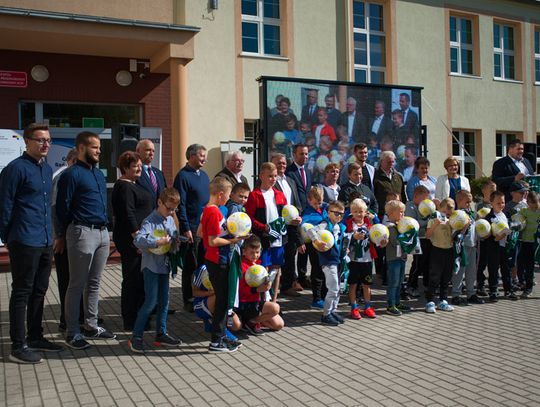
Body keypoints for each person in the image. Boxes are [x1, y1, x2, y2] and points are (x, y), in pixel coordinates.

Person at [0, 123, 62, 364]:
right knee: (22, 292)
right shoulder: (15, 169)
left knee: (40, 290)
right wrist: (7, 237)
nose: (45, 144)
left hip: (45, 239)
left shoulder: (45, 169)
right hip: (24, 239)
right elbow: (4, 205)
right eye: (40, 140)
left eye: (48, 140)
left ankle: (36, 337)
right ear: (27, 141)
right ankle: (18, 345)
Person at [56, 131, 115, 350]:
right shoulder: (71, 175)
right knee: (77, 284)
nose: (99, 151)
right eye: (94, 147)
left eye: (99, 147)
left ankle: (91, 325)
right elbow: (62, 208)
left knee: (94, 283)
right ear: (81, 148)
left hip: (101, 233)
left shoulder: (98, 175)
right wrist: (62, 234)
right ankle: (73, 332)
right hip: (81, 232)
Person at [127, 188, 182, 353]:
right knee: (151, 301)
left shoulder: (170, 219)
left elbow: (173, 238)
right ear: (159, 202)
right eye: (168, 208)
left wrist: (176, 242)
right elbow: (138, 240)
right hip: (151, 266)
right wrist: (156, 242)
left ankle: (161, 333)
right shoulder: (149, 221)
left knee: (164, 301)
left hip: (164, 266)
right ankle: (136, 337)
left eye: (174, 209)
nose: (171, 212)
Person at [201, 177, 247, 353]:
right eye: (228, 195)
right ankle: (216, 341)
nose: (228, 199)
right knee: (221, 302)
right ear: (220, 195)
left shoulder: (210, 210)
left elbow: (203, 233)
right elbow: (212, 241)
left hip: (220, 260)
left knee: (223, 301)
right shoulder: (213, 212)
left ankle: (221, 336)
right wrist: (234, 239)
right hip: (218, 261)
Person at [111, 151, 154, 330]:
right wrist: (138, 238)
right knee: (132, 279)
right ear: (125, 168)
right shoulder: (124, 186)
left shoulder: (135, 183)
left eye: (139, 165)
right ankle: (131, 320)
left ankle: (141, 317)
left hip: (141, 239)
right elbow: (127, 214)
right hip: (132, 241)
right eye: (134, 166)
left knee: (140, 279)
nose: (138, 168)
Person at [174, 144, 210, 312]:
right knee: (191, 265)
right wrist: (186, 228)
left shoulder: (204, 175)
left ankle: (202, 295)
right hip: (192, 228)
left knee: (204, 264)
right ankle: (189, 299)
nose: (205, 158)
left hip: (206, 227)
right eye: (202, 155)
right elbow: (180, 206)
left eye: (205, 155)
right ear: (192, 156)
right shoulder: (182, 176)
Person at [245, 162, 288, 302]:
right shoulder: (255, 195)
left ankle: (274, 301)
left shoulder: (280, 194)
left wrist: (293, 219)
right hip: (263, 238)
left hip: (279, 238)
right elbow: (249, 218)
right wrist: (264, 227)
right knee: (264, 269)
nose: (273, 179)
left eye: (275, 176)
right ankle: (263, 299)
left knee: (277, 268)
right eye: (270, 176)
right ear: (261, 176)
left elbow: (286, 214)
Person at [52, 147, 80, 332]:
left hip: (74, 236)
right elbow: (56, 209)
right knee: (67, 279)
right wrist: (59, 235)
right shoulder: (62, 176)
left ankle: (81, 316)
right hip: (64, 238)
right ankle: (66, 318)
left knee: (78, 278)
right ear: (72, 160)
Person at [237, 236, 284, 334]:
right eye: (252, 252)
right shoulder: (241, 266)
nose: (255, 255)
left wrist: (268, 283)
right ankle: (250, 321)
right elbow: (240, 290)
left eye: (257, 252)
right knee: (275, 308)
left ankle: (252, 322)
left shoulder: (259, 265)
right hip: (244, 304)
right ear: (244, 252)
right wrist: (257, 290)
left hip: (256, 303)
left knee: (279, 324)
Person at [271, 153, 303, 297]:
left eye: (284, 163)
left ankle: (287, 285)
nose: (282, 165)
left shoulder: (290, 181)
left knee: (291, 255)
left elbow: (296, 202)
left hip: (292, 226)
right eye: (278, 163)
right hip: (278, 225)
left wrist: (298, 216)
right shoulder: (270, 182)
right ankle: (272, 287)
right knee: (277, 257)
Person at [312, 200, 347, 326]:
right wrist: (317, 241)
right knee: (333, 288)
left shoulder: (340, 226)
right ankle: (326, 314)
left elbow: (341, 241)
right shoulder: (324, 224)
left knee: (338, 289)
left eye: (341, 214)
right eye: (336, 213)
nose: (339, 216)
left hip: (338, 261)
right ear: (328, 212)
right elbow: (311, 231)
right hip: (328, 261)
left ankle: (333, 310)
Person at [425, 198, 461, 313]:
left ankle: (443, 301)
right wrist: (435, 224)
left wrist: (463, 227)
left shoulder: (451, 219)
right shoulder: (434, 217)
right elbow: (427, 235)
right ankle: (430, 301)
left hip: (449, 250)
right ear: (441, 206)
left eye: (453, 208)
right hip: (437, 250)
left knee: (446, 277)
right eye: (449, 207)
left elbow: (454, 237)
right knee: (434, 277)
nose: (451, 210)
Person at [345, 198, 379, 320]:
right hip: (353, 260)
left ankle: (368, 306)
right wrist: (353, 237)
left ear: (365, 212)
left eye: (361, 211)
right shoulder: (348, 224)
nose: (359, 214)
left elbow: (377, 237)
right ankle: (354, 307)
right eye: (356, 211)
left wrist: (382, 240)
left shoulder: (370, 225)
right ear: (351, 212)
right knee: (353, 284)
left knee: (367, 284)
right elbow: (345, 240)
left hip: (367, 260)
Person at [192, 264, 242, 343]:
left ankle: (211, 323)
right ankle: (222, 331)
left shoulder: (229, 268)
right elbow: (195, 292)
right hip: (201, 305)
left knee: (237, 326)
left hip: (218, 302)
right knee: (219, 296)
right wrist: (212, 292)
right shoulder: (204, 269)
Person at [451, 190, 484, 306]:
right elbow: (454, 233)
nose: (469, 204)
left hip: (472, 245)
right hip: (461, 246)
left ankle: (471, 293)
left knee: (471, 271)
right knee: (459, 271)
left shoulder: (472, 214)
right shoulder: (456, 215)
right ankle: (456, 294)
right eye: (467, 202)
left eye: (470, 202)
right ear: (459, 201)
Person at [286, 144, 312, 288]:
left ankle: (303, 276)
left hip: (306, 214)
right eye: (301, 154)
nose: (305, 157)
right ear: (294, 155)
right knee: (294, 247)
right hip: (294, 215)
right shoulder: (290, 172)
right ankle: (292, 278)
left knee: (305, 246)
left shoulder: (308, 172)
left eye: (306, 154)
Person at [484, 190, 517, 302]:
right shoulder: (489, 217)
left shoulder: (506, 214)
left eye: (502, 202)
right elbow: (490, 236)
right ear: (491, 203)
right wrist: (502, 234)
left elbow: (511, 226)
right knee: (493, 270)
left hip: (505, 247)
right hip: (494, 247)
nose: (501, 205)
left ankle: (508, 290)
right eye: (498, 203)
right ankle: (493, 291)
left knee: (506, 269)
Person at [300, 187, 329, 309]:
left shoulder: (324, 209)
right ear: (309, 200)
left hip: (326, 245)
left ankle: (324, 296)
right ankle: (316, 299)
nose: (318, 205)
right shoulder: (307, 213)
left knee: (325, 271)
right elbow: (304, 226)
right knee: (317, 270)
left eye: (320, 202)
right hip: (314, 245)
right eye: (315, 203)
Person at [384, 200, 411, 316]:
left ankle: (398, 302)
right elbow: (395, 242)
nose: (403, 215)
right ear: (391, 213)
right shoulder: (390, 227)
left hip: (401, 258)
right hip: (393, 259)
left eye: (403, 212)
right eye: (400, 212)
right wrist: (405, 234)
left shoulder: (400, 226)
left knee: (400, 281)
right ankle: (391, 305)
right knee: (393, 282)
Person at [404, 185, 432, 298]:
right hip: (417, 240)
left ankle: (426, 285)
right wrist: (429, 222)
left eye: (427, 199)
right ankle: (411, 286)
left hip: (427, 238)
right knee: (417, 264)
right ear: (415, 196)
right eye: (423, 199)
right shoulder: (410, 207)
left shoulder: (426, 207)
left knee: (427, 264)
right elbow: (414, 223)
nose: (426, 202)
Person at [517, 191, 540, 298]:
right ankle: (528, 288)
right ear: (528, 203)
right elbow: (516, 220)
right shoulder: (524, 211)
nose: (535, 208)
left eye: (537, 205)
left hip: (538, 244)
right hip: (527, 243)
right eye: (532, 205)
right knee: (528, 267)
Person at [475, 180, 497, 297]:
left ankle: (493, 285)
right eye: (492, 190)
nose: (494, 191)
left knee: (492, 263)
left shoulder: (496, 204)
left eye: (495, 189)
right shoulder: (480, 205)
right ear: (484, 191)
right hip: (483, 240)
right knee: (481, 262)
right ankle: (480, 284)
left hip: (494, 239)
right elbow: (478, 221)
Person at [373, 151, 407, 220]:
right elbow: (373, 197)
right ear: (382, 161)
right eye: (389, 162)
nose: (391, 164)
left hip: (398, 215)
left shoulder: (398, 176)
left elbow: (403, 196)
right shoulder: (375, 176)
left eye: (393, 162)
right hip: (382, 215)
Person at [136, 139, 167, 208]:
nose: (151, 153)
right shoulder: (135, 172)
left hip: (159, 216)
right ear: (138, 151)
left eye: (153, 151)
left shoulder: (159, 173)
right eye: (148, 150)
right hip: (143, 216)